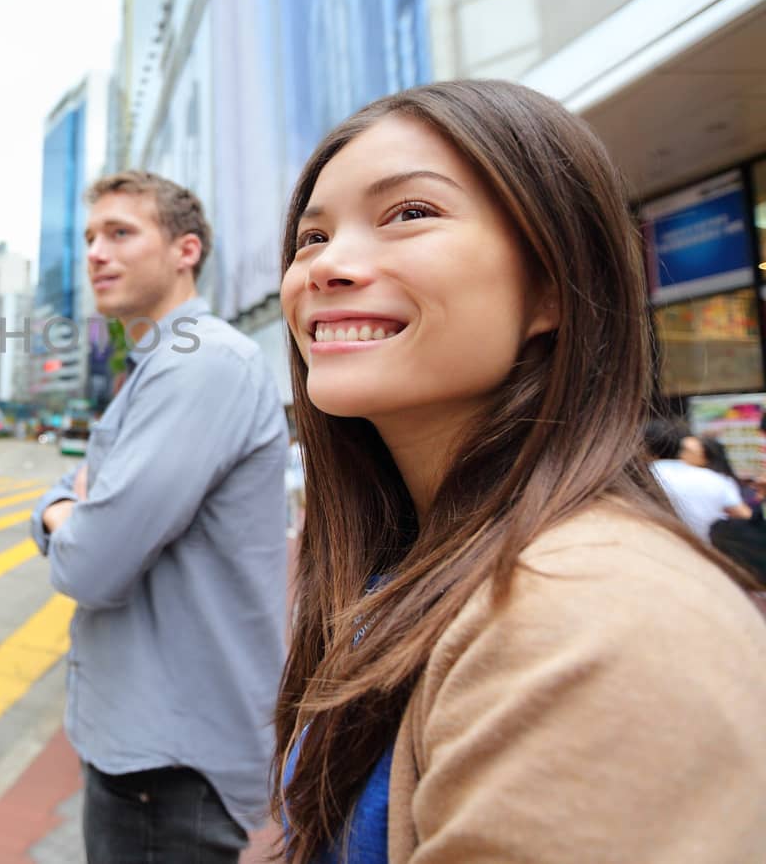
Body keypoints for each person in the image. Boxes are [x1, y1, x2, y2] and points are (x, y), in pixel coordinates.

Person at [274, 78, 766, 863]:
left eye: (410, 213)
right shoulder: (414, 558)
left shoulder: (594, 615)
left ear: (551, 285)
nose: (328, 267)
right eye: (312, 237)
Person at [32, 170, 288, 862]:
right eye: (89, 237)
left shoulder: (200, 364)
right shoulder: (157, 368)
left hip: (168, 765)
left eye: (120, 232)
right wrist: (71, 504)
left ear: (186, 250)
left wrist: (58, 511)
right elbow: (80, 499)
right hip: (151, 751)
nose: (95, 252)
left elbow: (89, 560)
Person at [646, 418, 750, 544]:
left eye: (687, 451)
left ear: (705, 457)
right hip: (709, 547)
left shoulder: (652, 472)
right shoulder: (720, 481)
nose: (682, 455)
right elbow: (744, 515)